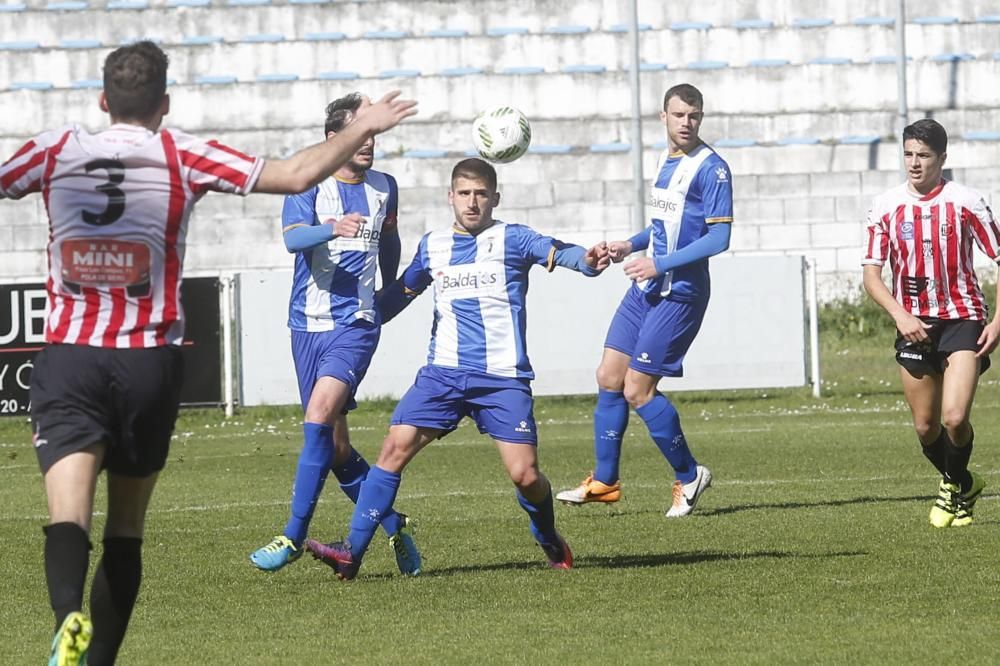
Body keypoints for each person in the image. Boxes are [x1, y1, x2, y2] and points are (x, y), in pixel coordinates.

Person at [0, 41, 415, 666]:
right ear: (163, 103)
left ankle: (67, 617)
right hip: (147, 359)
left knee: (68, 512)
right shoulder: (180, 151)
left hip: (70, 354)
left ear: (102, 101)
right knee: (126, 526)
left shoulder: (54, 150)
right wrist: (362, 124)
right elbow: (297, 175)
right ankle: (98, 657)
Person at [303, 157, 611, 579]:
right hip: (442, 375)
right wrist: (354, 318)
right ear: (450, 197)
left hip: (501, 378)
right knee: (392, 450)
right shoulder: (433, 246)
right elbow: (399, 295)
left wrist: (588, 260)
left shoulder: (513, 239)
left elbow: (560, 252)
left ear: (495, 198)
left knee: (525, 475)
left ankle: (547, 534)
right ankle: (351, 553)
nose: (472, 202)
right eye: (464, 194)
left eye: (481, 194)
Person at [249, 93, 421, 576]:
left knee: (319, 415)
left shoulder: (385, 187)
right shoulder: (309, 181)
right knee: (336, 446)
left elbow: (390, 239)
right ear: (335, 139)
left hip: (356, 324)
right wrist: (331, 229)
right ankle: (394, 525)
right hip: (306, 324)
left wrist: (388, 291)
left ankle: (292, 534)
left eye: (373, 134)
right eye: (360, 133)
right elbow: (291, 239)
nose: (368, 143)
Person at [556, 83, 733, 518]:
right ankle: (605, 481)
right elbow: (662, 227)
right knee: (609, 375)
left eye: (693, 116)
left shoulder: (713, 170)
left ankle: (690, 476)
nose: (686, 123)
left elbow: (720, 236)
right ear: (664, 117)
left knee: (638, 388)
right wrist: (627, 245)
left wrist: (659, 264)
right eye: (679, 115)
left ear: (701, 117)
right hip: (647, 287)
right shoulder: (665, 160)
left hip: (680, 293)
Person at [862, 118, 998, 528]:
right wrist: (900, 315)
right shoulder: (885, 206)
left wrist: (998, 320)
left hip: (963, 318)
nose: (914, 163)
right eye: (908, 154)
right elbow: (871, 275)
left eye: (923, 155)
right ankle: (964, 483)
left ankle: (949, 489)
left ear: (942, 157)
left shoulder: (966, 202)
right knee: (925, 427)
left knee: (954, 417)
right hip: (913, 325)